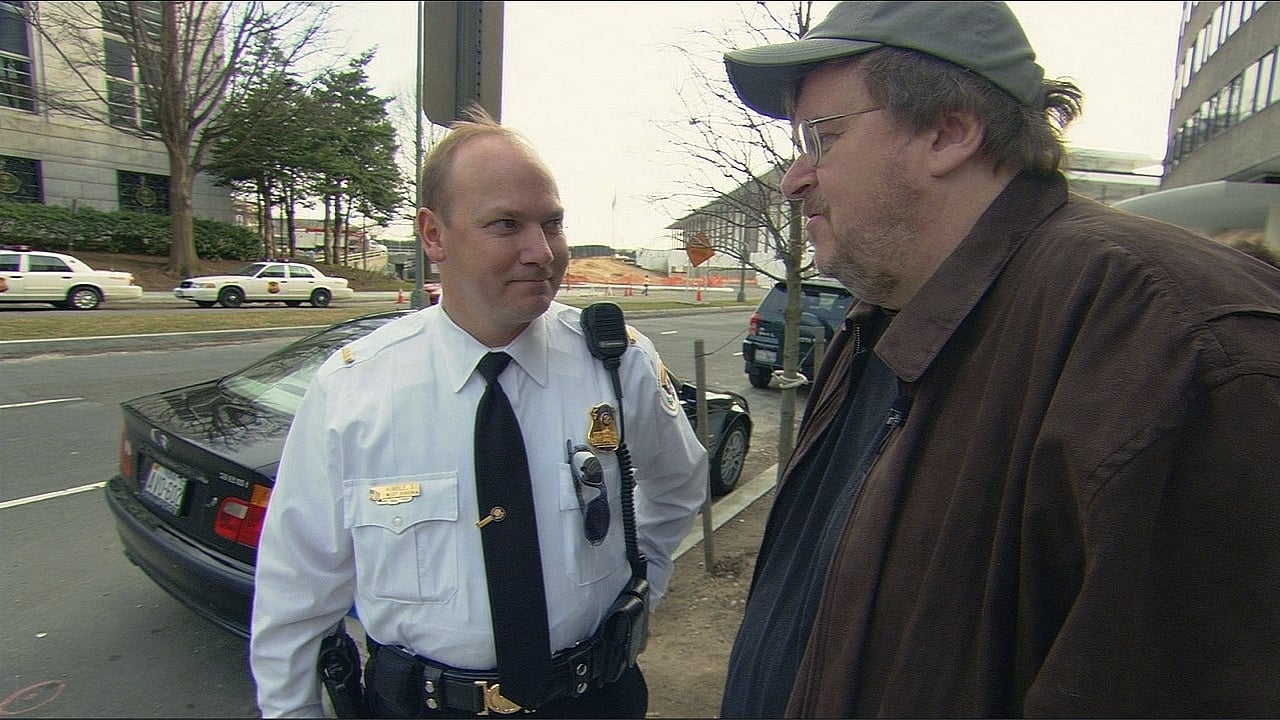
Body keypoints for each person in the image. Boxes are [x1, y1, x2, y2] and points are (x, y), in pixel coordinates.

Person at [718, 1, 1280, 717]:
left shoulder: (1174, 344)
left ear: (949, 132)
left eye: (820, 137)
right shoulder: (880, 320)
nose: (794, 178)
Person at [249, 106, 709, 718]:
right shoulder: (353, 392)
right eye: (506, 225)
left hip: (592, 698)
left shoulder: (615, 364)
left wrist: (638, 594)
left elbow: (677, 484)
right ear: (433, 235)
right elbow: (295, 593)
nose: (541, 251)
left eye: (553, 222)